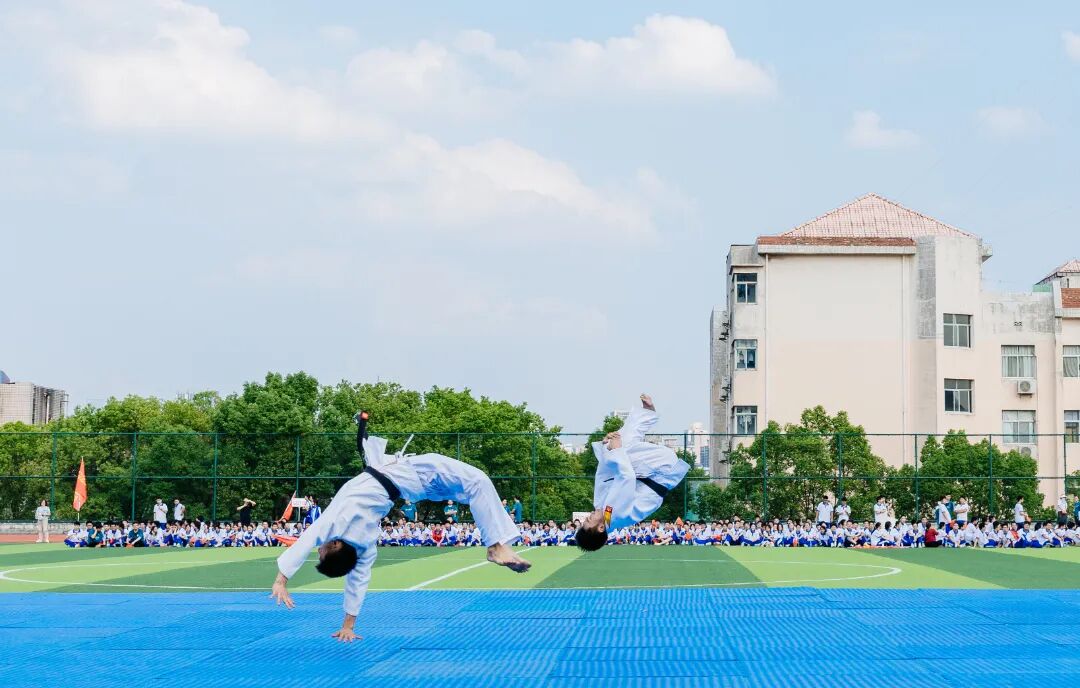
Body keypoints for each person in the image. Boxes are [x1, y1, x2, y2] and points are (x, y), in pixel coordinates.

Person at [270, 411, 530, 641]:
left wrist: (348, 626)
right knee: (478, 481)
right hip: (414, 473)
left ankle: (496, 545)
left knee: (477, 487)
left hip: (415, 489)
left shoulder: (364, 546)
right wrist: (281, 581)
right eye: (322, 553)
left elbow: (357, 580)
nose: (318, 550)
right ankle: (495, 546)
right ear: (335, 545)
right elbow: (307, 540)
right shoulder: (336, 522)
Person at [574, 394, 690, 551]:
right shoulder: (613, 514)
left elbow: (604, 475)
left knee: (619, 443)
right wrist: (615, 449)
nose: (588, 516)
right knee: (621, 446)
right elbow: (626, 477)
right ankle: (647, 415)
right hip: (661, 469)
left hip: (650, 471)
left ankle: (647, 413)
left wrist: (606, 446)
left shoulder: (602, 509)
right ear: (601, 528)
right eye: (589, 520)